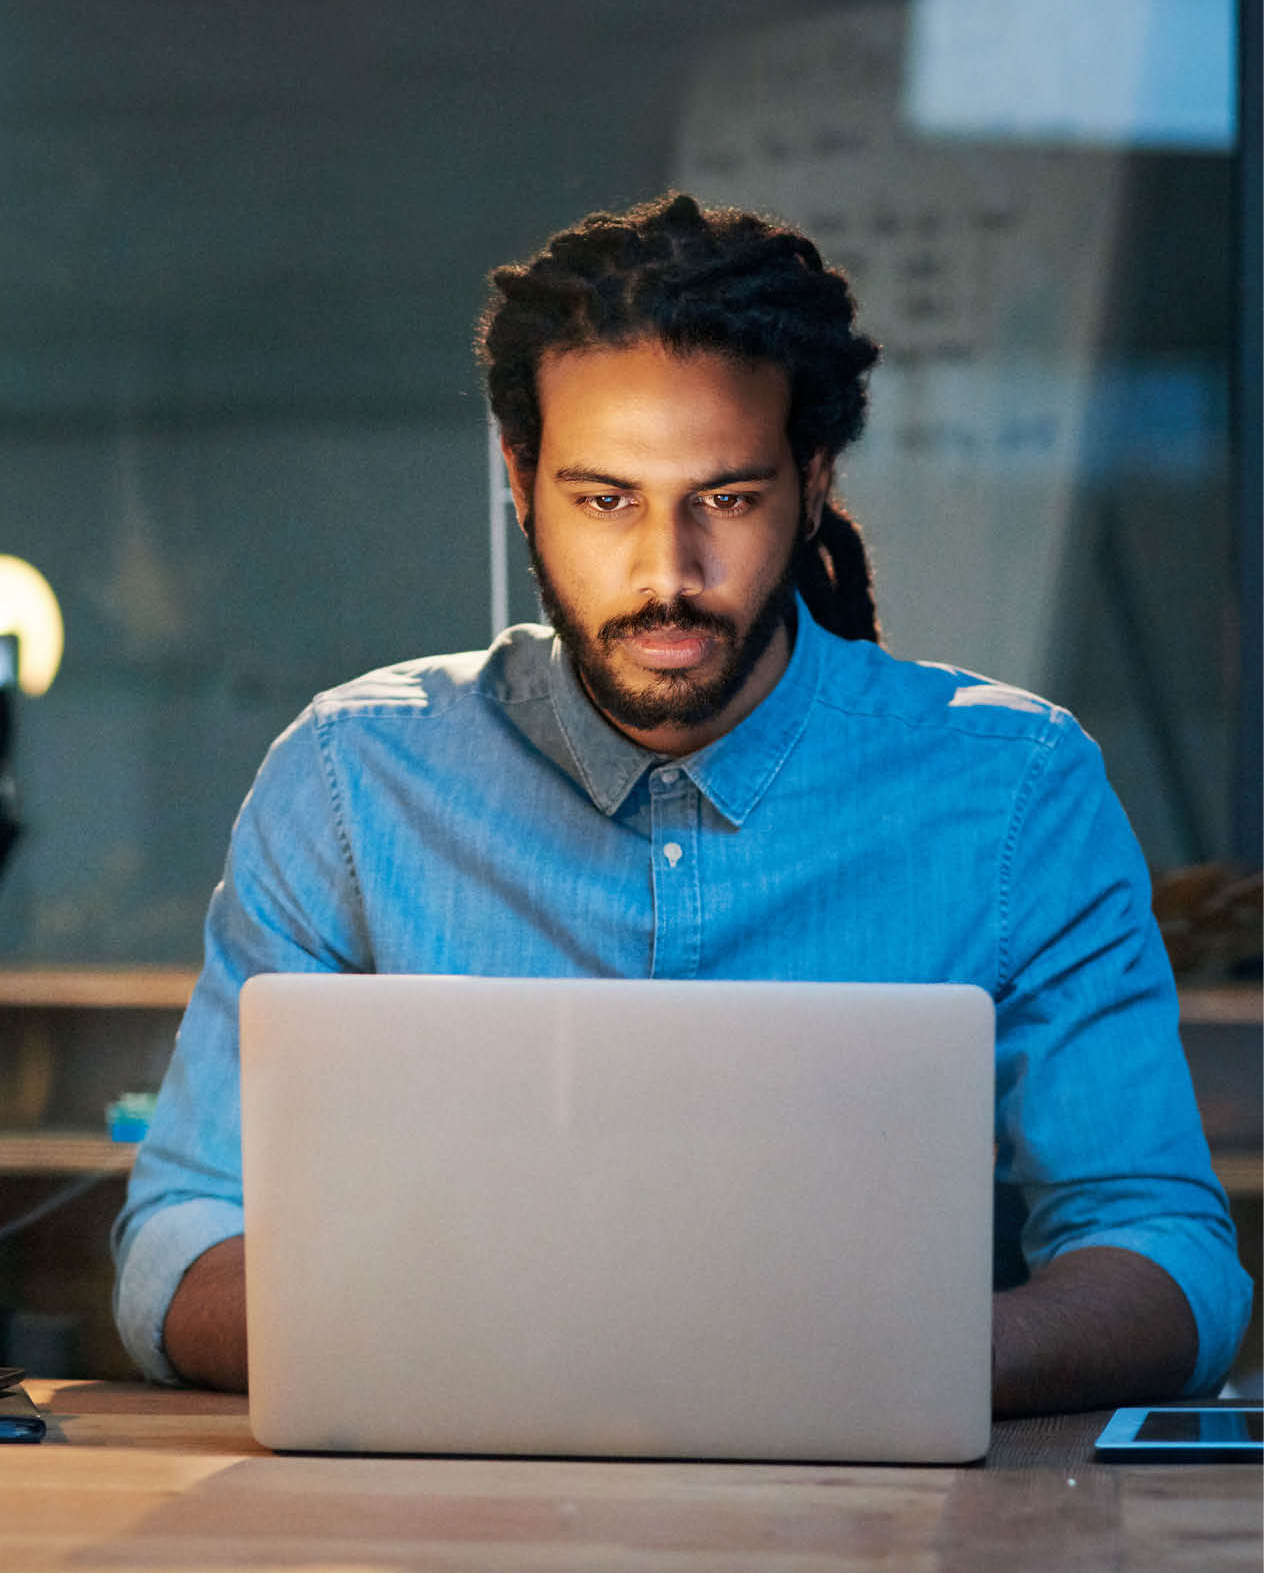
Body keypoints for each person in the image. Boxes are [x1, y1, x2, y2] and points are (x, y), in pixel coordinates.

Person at [112, 192, 1251, 1409]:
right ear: (520, 478)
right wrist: (476, 1345)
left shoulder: (1017, 791)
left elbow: (1166, 1253)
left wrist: (906, 1363)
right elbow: (177, 1241)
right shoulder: (353, 779)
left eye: (726, 499)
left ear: (812, 483)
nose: (666, 573)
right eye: (605, 499)